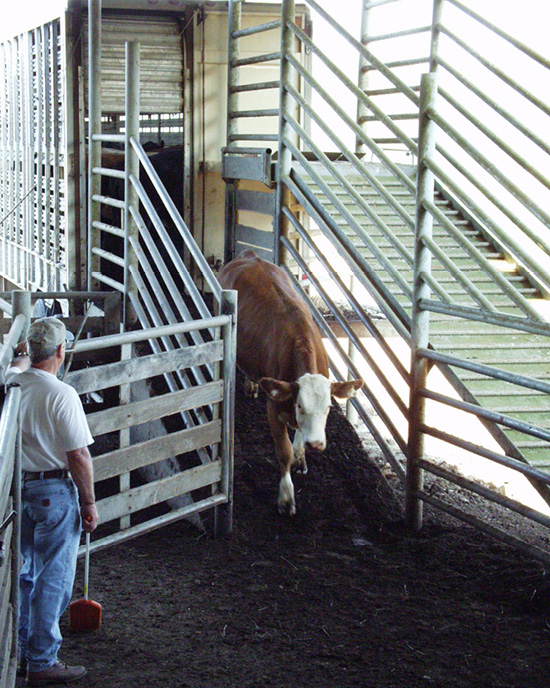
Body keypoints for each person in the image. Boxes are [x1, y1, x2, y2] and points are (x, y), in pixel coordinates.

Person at [5, 316, 98, 686]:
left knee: (25, 574)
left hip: (18, 491)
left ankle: (23, 653)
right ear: (61, 351)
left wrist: (20, 358)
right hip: (55, 494)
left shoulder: (13, 383)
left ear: (29, 349)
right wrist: (89, 502)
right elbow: (78, 456)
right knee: (53, 578)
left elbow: (18, 365)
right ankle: (42, 660)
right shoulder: (62, 395)